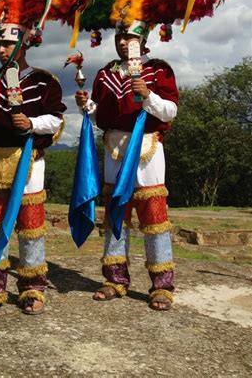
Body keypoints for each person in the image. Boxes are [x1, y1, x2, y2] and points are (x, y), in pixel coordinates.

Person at [75, 21, 179, 310]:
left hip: (147, 145)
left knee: (153, 214)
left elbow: (171, 110)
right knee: (115, 213)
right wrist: (87, 107)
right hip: (114, 147)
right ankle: (115, 278)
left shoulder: (159, 70)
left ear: (142, 39)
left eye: (130, 37)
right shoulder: (105, 73)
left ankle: (161, 284)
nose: (122, 41)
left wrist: (148, 94)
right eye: (120, 36)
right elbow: (101, 119)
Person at [0, 23, 66, 315]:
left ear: (23, 45)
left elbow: (57, 120)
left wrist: (32, 124)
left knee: (30, 227)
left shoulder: (43, 81)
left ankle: (32, 287)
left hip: (29, 160)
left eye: (8, 45)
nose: (1, 50)